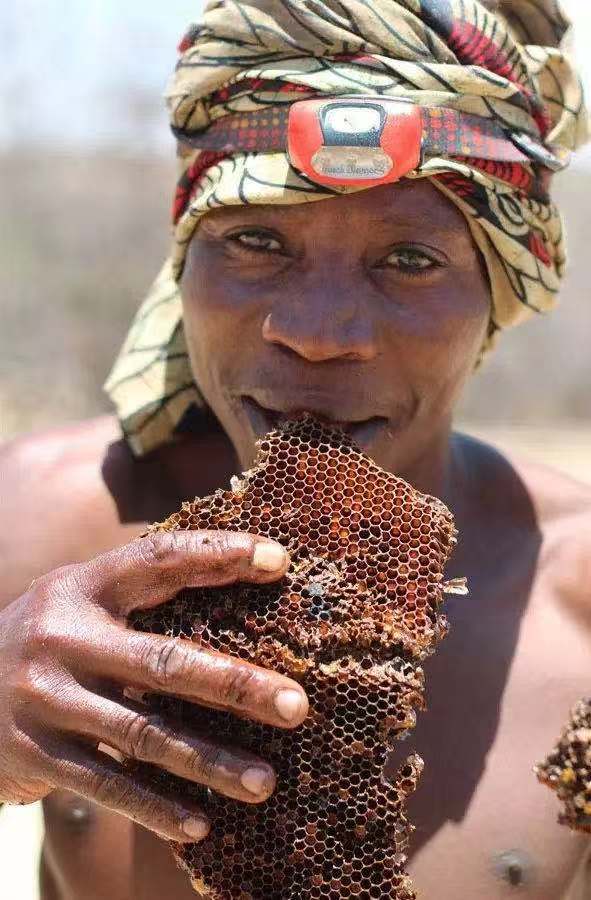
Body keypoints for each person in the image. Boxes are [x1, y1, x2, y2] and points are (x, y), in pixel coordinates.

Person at [0, 1, 589, 897]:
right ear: (185, 260)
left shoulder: (575, 602)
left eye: (408, 261)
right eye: (256, 241)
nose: (316, 334)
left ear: (499, 296)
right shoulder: (39, 526)